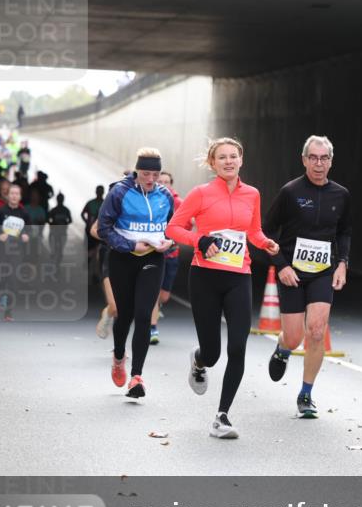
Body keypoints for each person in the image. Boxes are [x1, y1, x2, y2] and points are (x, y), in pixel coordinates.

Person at [166, 137, 279, 439]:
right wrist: (199, 240)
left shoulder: (252, 194)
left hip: (238, 276)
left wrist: (264, 242)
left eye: (233, 156)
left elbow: (253, 231)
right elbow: (173, 228)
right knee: (214, 353)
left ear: (241, 159)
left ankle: (222, 416)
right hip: (205, 277)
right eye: (222, 157)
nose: (228, 161)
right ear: (213, 163)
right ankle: (200, 359)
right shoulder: (201, 194)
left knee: (238, 347)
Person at [264, 135, 351, 419]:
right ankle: (282, 349)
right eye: (313, 158)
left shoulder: (341, 195)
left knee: (316, 331)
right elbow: (265, 231)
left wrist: (342, 264)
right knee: (294, 336)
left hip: (323, 272)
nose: (318, 164)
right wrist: (281, 265)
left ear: (331, 161)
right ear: (304, 160)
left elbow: (344, 232)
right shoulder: (290, 192)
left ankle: (306, 394)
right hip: (292, 272)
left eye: (323, 158)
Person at [96, 148, 175, 399]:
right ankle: (119, 356)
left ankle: (136, 377)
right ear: (137, 171)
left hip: (153, 258)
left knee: (144, 314)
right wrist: (130, 245)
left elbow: (172, 227)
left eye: (156, 173)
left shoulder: (165, 196)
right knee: (125, 314)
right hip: (123, 259)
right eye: (146, 173)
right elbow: (103, 229)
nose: (151, 179)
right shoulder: (119, 192)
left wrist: (169, 242)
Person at [149, 171, 183, 345]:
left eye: (166, 182)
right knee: (154, 293)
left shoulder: (178, 203)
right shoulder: (150, 200)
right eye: (160, 181)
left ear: (171, 185)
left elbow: (187, 224)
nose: (163, 184)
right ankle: (152, 327)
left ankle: (156, 308)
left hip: (172, 254)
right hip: (153, 253)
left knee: (164, 297)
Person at [0, 183, 31, 321]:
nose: (14, 196)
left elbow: (30, 230)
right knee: (1, 278)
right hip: (1, 251)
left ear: (20, 197)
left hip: (16, 252)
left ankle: (8, 312)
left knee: (12, 281)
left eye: (16, 194)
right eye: (11, 193)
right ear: (8, 195)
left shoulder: (24, 213)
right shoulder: (1, 212)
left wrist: (26, 236)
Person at [47, 192, 73, 264]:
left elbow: (70, 220)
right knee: (54, 245)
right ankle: (54, 254)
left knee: (60, 248)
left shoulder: (65, 210)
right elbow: (48, 219)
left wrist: (64, 224)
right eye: (59, 199)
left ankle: (57, 259)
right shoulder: (55, 210)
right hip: (55, 231)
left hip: (62, 232)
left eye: (61, 199)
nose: (60, 200)